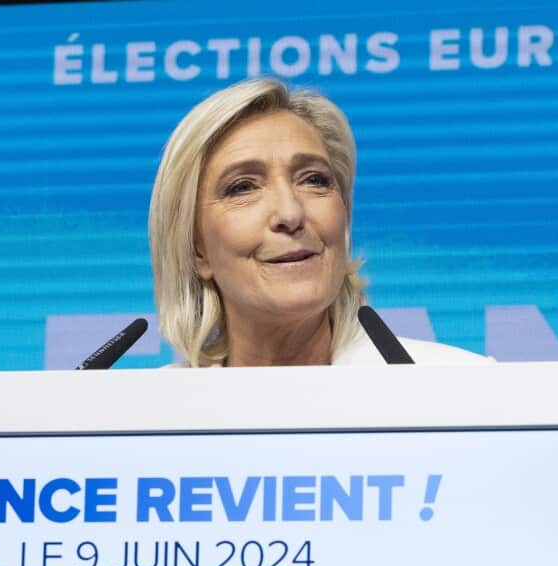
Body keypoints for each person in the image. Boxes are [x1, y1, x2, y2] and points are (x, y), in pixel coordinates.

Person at [148, 78, 488, 367]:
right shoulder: (140, 417)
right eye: (243, 187)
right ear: (197, 250)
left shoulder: (461, 387)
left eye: (314, 180)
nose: (291, 214)